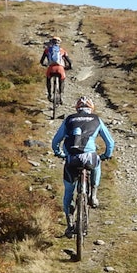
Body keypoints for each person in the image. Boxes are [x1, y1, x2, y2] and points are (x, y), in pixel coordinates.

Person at [51, 95, 116, 236]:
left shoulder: (69, 119)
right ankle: (93, 194)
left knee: (68, 191)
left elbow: (56, 141)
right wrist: (106, 155)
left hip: (71, 159)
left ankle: (69, 225)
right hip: (89, 158)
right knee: (96, 162)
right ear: (91, 109)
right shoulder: (97, 119)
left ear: (77, 108)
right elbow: (110, 143)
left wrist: (59, 152)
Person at [39, 36, 73, 101]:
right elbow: (69, 62)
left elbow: (41, 61)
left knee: (48, 79)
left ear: (51, 42)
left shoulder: (47, 50)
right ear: (59, 43)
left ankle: (49, 94)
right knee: (62, 80)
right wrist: (69, 67)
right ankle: (60, 95)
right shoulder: (62, 50)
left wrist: (44, 64)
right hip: (60, 68)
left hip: (51, 68)